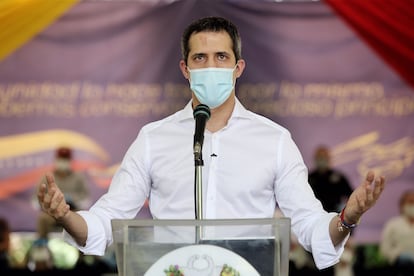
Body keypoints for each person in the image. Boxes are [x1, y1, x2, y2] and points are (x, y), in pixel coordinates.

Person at [37, 16, 385, 271]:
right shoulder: (153, 140)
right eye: (200, 59)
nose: (211, 67)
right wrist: (66, 216)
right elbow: (106, 221)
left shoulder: (275, 141)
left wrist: (348, 217)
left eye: (222, 57)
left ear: (239, 67)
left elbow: (310, 227)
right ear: (185, 68)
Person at [309, 145, 354, 213]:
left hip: (334, 216)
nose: (322, 160)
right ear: (315, 159)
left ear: (329, 158)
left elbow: (351, 195)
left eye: (324, 157)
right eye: (320, 157)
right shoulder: (308, 178)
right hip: (314, 215)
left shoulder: (339, 177)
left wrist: (346, 210)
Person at [380, 189, 414, 276]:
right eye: (410, 202)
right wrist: (398, 257)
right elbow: (385, 249)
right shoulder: (393, 224)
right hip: (399, 268)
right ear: (402, 205)